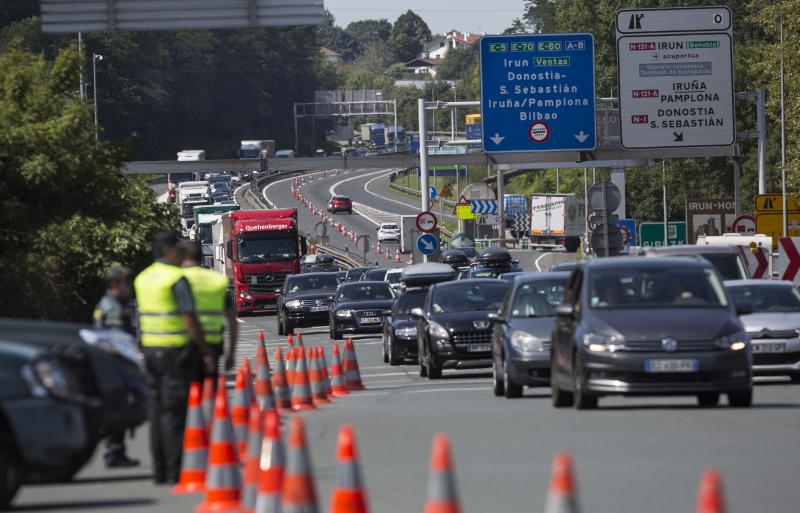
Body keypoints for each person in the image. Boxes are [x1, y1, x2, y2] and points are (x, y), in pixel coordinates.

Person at [134, 231, 215, 485]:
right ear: (168, 251)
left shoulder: (143, 278)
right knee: (174, 413)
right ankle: (174, 470)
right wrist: (205, 350)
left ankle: (159, 470)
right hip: (175, 353)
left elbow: (139, 317)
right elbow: (189, 318)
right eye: (179, 248)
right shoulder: (177, 279)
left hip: (150, 351)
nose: (182, 253)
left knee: (157, 411)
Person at [93, 266, 140, 468]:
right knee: (117, 408)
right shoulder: (113, 308)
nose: (129, 287)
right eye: (126, 283)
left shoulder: (109, 304)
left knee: (117, 408)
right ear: (115, 284)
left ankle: (116, 451)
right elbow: (115, 340)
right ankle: (114, 452)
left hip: (110, 365)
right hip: (114, 365)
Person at [179, 240, 237, 378]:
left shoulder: (174, 278)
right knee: (210, 388)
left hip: (182, 344)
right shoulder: (218, 280)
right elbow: (232, 320)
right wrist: (231, 353)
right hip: (212, 344)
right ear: (202, 257)